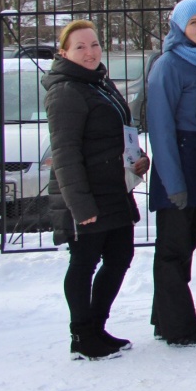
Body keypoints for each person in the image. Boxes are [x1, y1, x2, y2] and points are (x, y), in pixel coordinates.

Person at [45, 20, 148, 360]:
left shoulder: (99, 83)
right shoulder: (66, 91)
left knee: (120, 257)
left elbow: (121, 132)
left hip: (114, 188)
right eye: (80, 47)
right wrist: (80, 205)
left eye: (94, 45)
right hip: (86, 194)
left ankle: (97, 326)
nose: (89, 52)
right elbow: (65, 152)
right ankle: (82, 335)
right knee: (84, 262)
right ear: (64, 53)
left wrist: (136, 159)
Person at [146, 0, 196, 348]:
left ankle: (164, 317)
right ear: (179, 27)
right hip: (177, 165)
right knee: (173, 250)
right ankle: (180, 328)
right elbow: (160, 128)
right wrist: (173, 183)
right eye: (194, 23)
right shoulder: (169, 65)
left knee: (185, 246)